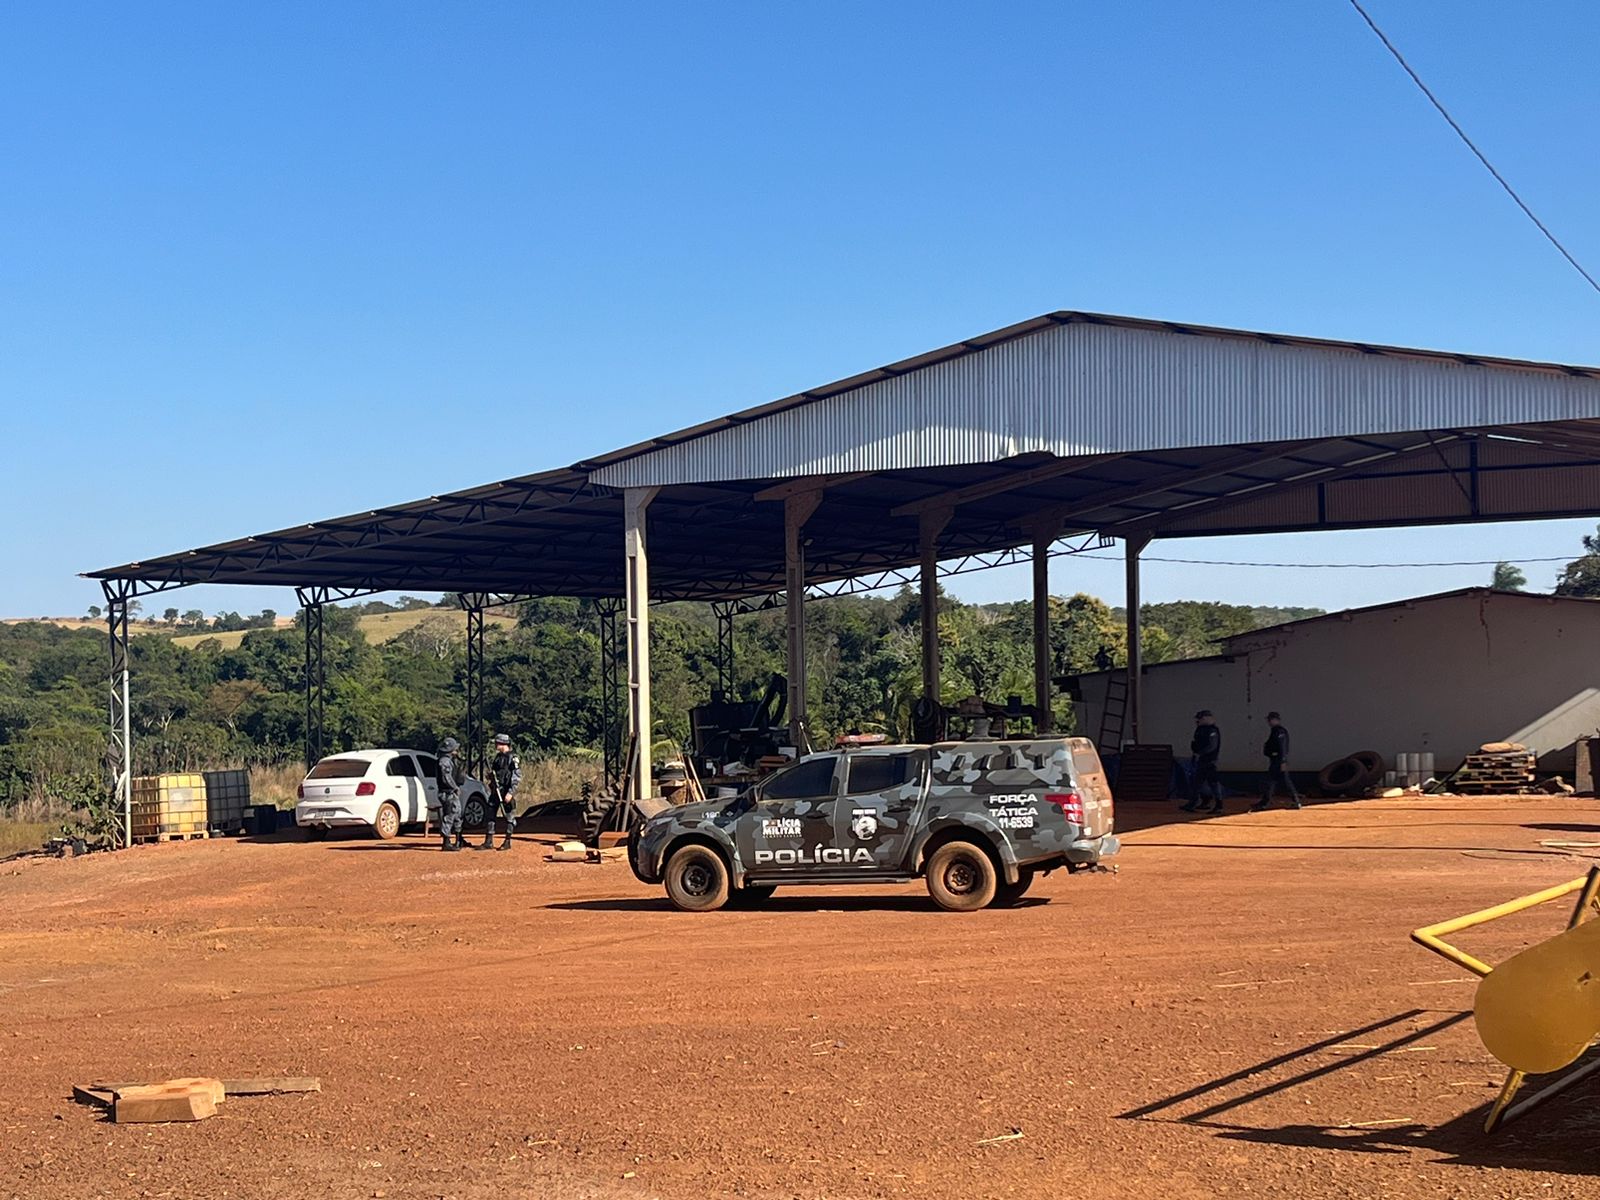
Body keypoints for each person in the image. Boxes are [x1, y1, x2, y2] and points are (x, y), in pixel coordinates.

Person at [479, 733, 521, 851]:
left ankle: (507, 841)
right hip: (495, 791)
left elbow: (516, 776)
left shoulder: (512, 758)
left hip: (506, 791)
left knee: (509, 816)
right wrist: (491, 778)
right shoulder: (498, 757)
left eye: (497, 743)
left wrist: (510, 792)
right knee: (490, 813)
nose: (496, 745)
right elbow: (495, 772)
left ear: (503, 744)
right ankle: (489, 841)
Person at [1252, 711, 1301, 811]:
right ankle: (1266, 802)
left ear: (1275, 720)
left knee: (1276, 781)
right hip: (1276, 760)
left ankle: (1294, 801)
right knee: (1272, 781)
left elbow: (1282, 747)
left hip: (1278, 761)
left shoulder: (1279, 731)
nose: (1269, 722)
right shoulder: (1275, 730)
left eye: (1270, 720)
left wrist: (1283, 761)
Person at [1181, 710, 1223, 814]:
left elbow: (1211, 746)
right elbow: (1196, 742)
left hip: (1210, 760)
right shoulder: (1200, 729)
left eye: (1200, 719)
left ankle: (1219, 805)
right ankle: (1196, 803)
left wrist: (1200, 753)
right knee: (1197, 783)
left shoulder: (1212, 730)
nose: (1198, 721)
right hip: (1201, 760)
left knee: (1213, 783)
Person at [437, 736, 466, 851]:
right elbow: (446, 778)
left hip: (450, 792)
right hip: (447, 792)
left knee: (457, 814)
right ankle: (446, 841)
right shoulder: (444, 761)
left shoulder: (449, 760)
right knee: (450, 815)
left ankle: (458, 839)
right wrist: (454, 787)